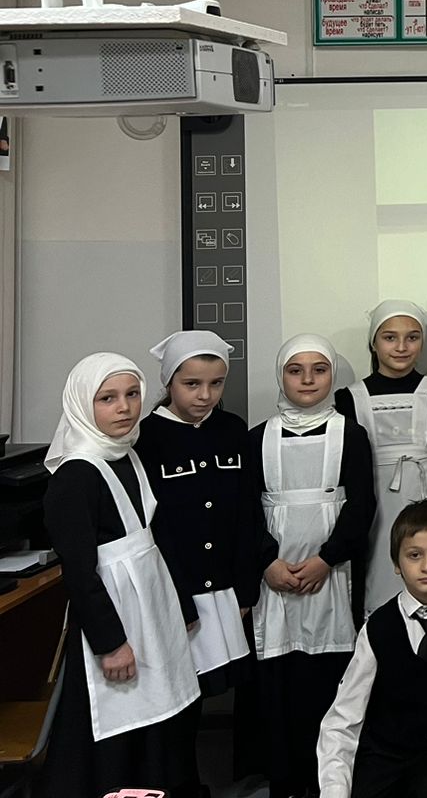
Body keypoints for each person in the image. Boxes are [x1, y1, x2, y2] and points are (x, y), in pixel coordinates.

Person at [41, 354, 202, 798]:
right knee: (118, 717)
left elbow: (155, 535)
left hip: (149, 604)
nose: (125, 407)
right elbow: (79, 572)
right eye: (107, 398)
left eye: (132, 394)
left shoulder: (127, 454)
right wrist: (110, 643)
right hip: (113, 614)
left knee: (158, 706)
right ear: (82, 404)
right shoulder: (75, 475)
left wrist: (180, 605)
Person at [247, 333, 376, 798]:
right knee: (280, 677)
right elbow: (246, 509)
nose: (307, 379)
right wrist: (268, 562)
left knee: (328, 675)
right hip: (275, 577)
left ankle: (329, 778)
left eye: (319, 370)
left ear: (332, 376)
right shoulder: (257, 437)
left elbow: (361, 506)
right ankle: (285, 778)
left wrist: (326, 559)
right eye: (295, 370)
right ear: (280, 376)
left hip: (332, 574)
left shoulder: (351, 435)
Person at [317, 500, 427, 797]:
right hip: (385, 756)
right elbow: (344, 718)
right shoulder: (378, 626)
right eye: (414, 555)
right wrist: (335, 790)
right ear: (397, 564)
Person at [139, 331, 255, 789]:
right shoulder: (146, 438)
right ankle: (175, 785)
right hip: (176, 590)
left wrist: (245, 588)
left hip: (225, 589)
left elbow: (246, 512)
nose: (205, 395)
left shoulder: (233, 430)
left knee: (213, 692)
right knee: (175, 703)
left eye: (216, 383)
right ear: (169, 382)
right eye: (192, 384)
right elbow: (152, 529)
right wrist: (177, 599)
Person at [335, 300, 427, 614]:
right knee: (378, 570)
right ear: (374, 342)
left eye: (412, 338)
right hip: (374, 502)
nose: (401, 347)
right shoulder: (349, 397)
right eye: (390, 337)